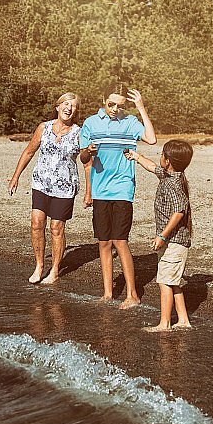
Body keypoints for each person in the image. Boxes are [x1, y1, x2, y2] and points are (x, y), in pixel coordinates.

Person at [79, 85, 157, 309]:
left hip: (123, 188)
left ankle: (132, 294)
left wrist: (141, 107)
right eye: (110, 104)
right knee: (104, 242)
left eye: (119, 106)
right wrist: (89, 151)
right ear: (103, 100)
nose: (114, 109)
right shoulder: (91, 123)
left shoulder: (130, 122)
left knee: (120, 240)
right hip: (100, 189)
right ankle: (107, 293)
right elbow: (83, 156)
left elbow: (151, 139)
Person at [9, 93, 81, 284]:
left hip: (65, 186)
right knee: (36, 223)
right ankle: (39, 265)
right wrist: (15, 177)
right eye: (65, 104)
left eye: (73, 106)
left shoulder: (79, 132)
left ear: (76, 111)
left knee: (56, 228)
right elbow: (29, 151)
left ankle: (55, 270)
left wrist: (89, 192)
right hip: (41, 183)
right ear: (57, 107)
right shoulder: (44, 127)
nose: (69, 108)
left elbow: (87, 163)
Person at [125, 139, 194, 332]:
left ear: (169, 160)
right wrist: (136, 157)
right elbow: (152, 167)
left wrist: (162, 236)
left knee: (164, 281)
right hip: (174, 242)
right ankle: (183, 320)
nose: (160, 157)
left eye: (162, 154)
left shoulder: (173, 184)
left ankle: (164, 324)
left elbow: (179, 211)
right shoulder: (169, 175)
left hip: (174, 241)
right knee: (174, 281)